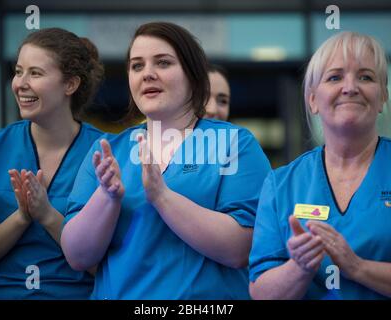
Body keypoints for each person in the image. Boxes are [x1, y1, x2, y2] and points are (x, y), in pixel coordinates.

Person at [61, 22, 271, 299]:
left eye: (162, 63)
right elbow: (78, 257)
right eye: (137, 66)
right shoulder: (107, 151)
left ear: (193, 76)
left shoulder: (235, 143)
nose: (147, 74)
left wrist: (162, 196)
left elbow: (241, 248)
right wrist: (107, 197)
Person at [249, 31, 391, 300]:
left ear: (382, 96)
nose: (350, 87)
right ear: (312, 100)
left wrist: (357, 267)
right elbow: (261, 293)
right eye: (335, 77)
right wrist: (299, 267)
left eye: (366, 77)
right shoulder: (281, 184)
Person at [0, 28, 105, 299]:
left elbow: (109, 265)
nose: (20, 83)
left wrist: (48, 216)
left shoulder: (107, 153)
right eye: (18, 71)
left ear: (70, 85)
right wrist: (21, 218)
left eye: (35, 73)